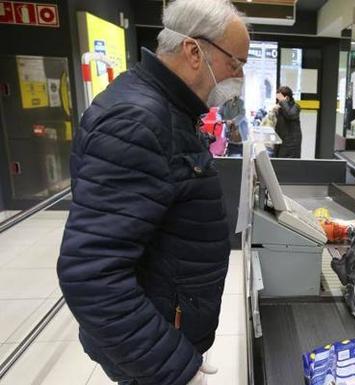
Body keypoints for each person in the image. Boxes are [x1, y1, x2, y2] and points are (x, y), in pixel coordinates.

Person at [56, 1, 249, 384]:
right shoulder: (140, 120)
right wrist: (174, 367)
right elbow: (91, 274)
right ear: (194, 51)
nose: (239, 76)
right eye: (236, 63)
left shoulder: (167, 109)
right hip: (151, 345)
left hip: (164, 325)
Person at [273, 86, 302, 158]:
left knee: (287, 166)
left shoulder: (296, 106)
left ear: (287, 98)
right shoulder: (281, 108)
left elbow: (290, 115)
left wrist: (283, 102)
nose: (278, 102)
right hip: (281, 141)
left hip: (291, 144)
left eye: (279, 99)